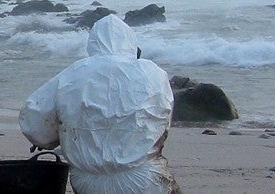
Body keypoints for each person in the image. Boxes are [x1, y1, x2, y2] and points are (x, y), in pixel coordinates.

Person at [19, 14, 181, 194]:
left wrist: (50, 139)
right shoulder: (153, 73)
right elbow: (163, 121)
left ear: (93, 43)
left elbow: (34, 118)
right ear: (131, 42)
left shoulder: (72, 74)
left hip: (87, 182)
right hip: (144, 180)